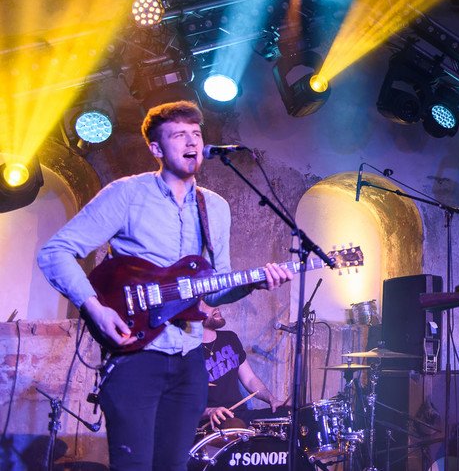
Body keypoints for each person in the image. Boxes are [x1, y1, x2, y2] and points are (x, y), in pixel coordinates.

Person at [37, 101, 293, 470]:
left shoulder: (215, 207)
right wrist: (96, 308)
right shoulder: (127, 194)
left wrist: (256, 283)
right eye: (179, 135)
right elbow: (55, 252)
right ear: (156, 148)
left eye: (196, 134)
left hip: (190, 361)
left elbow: (214, 287)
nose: (192, 142)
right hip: (136, 356)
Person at [200, 301, 287, 429]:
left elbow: (250, 379)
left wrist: (272, 399)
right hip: (213, 422)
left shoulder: (230, 338)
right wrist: (210, 411)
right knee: (234, 425)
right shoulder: (187, 354)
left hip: (241, 415)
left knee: (288, 414)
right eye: (208, 304)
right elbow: (180, 406)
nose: (216, 307)